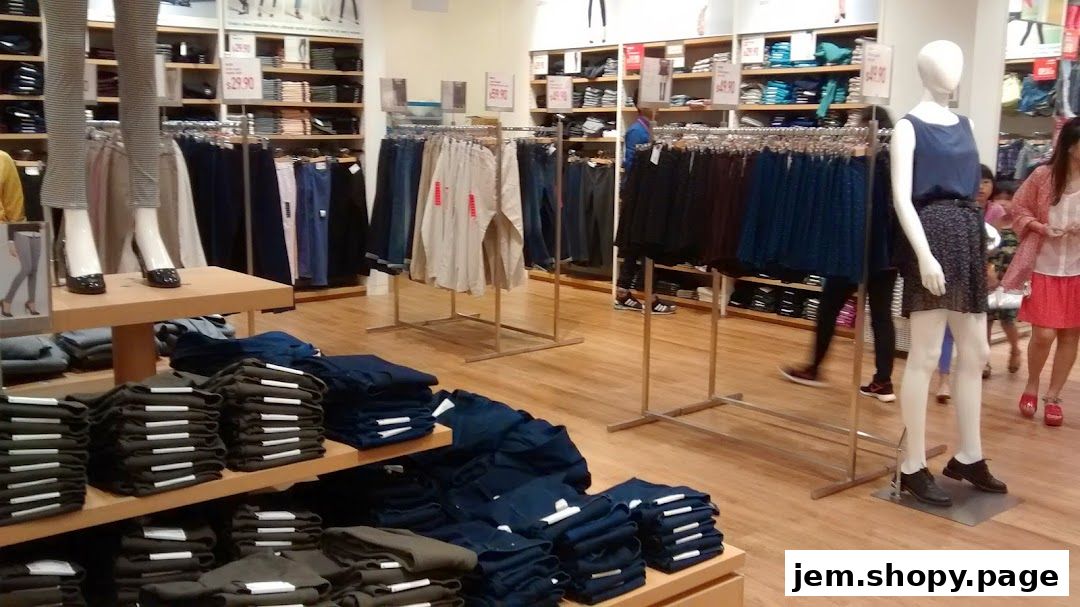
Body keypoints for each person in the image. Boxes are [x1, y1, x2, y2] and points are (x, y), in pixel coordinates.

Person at [780, 107, 898, 402]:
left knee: (829, 307)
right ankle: (883, 381)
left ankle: (814, 368)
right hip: (888, 251)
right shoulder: (897, 162)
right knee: (881, 316)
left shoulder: (859, 162)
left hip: (854, 247)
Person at [1003, 117, 1080, 427]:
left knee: (1070, 334)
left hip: (1077, 269)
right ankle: (1032, 384)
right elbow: (1018, 209)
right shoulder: (1042, 176)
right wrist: (1040, 226)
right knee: (1044, 334)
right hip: (1044, 266)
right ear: (1073, 146)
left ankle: (1054, 396)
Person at [614, 102, 676, 315]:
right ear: (641, 105)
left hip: (645, 193)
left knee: (637, 245)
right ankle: (649, 296)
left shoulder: (649, 128)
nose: (657, 107)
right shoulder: (636, 131)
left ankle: (625, 292)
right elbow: (631, 163)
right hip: (638, 194)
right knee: (643, 242)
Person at [986, 179, 1022, 377]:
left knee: (1008, 320)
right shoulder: (991, 224)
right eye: (999, 198)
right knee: (987, 320)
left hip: (1012, 282)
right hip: (990, 279)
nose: (1003, 203)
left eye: (1008, 199)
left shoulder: (1020, 225)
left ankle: (1015, 350)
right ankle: (985, 361)